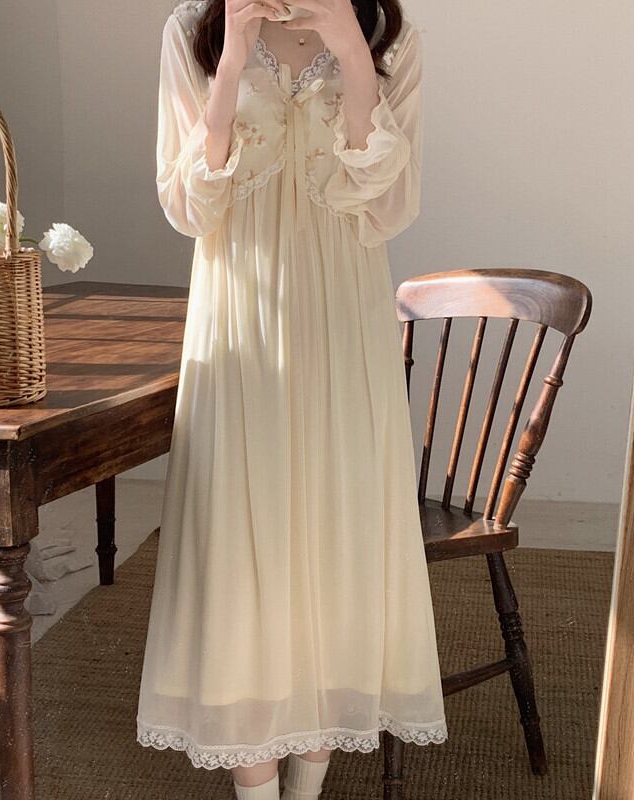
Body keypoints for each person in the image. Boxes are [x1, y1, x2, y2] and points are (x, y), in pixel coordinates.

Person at [136, 0, 447, 797]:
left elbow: (391, 205)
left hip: (344, 326)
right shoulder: (193, 32)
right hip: (239, 328)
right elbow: (187, 207)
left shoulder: (391, 37)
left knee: (339, 548)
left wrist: (351, 52)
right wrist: (232, 62)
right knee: (243, 558)